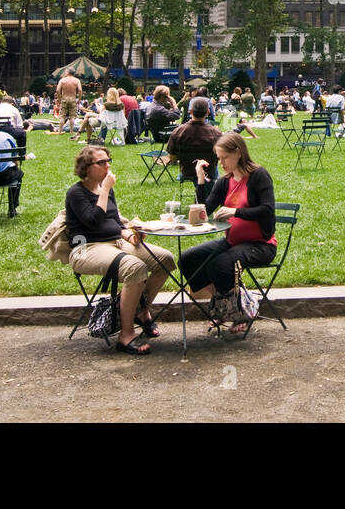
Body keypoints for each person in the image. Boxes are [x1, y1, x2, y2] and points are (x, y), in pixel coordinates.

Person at [66, 146, 174, 354]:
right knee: (134, 267)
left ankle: (141, 311)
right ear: (86, 167)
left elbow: (114, 220)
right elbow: (92, 222)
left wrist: (129, 234)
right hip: (86, 247)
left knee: (165, 260)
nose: (108, 165)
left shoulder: (107, 190)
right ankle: (126, 335)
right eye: (101, 162)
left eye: (109, 161)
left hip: (116, 241)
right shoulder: (76, 192)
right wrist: (104, 189)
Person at [179, 133, 278, 333]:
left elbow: (268, 209)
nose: (221, 163)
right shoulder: (225, 180)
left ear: (238, 153)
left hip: (260, 244)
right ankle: (223, 302)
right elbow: (204, 211)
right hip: (233, 242)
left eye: (224, 157)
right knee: (187, 259)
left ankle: (238, 312)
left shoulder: (259, 175)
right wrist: (200, 180)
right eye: (218, 158)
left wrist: (235, 211)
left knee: (221, 264)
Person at [165, 97, 223, 201]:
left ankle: (202, 195)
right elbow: (221, 156)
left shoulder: (178, 132)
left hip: (187, 171)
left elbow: (172, 158)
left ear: (190, 111)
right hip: (208, 170)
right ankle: (206, 196)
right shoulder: (216, 133)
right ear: (208, 112)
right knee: (215, 169)